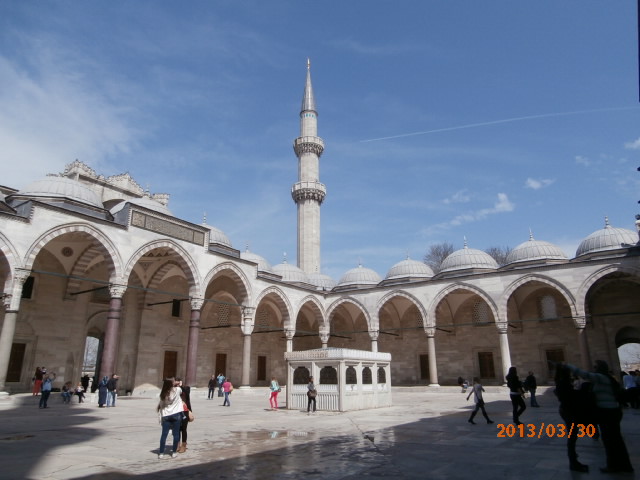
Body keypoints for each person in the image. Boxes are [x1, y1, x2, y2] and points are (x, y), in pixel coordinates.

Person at [565, 360, 634, 474]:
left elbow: (586, 375)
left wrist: (568, 366)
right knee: (614, 440)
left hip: (608, 412)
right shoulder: (606, 379)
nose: (594, 368)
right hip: (610, 412)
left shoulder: (602, 378)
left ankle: (615, 466)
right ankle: (623, 465)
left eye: (596, 366)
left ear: (601, 368)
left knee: (611, 440)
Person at [554, 364, 591, 472]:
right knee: (572, 437)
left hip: (566, 410)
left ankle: (574, 460)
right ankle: (573, 461)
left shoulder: (560, 381)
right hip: (568, 411)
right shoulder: (563, 383)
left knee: (572, 437)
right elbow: (569, 395)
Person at [157, 377, 183, 459]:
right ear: (172, 383)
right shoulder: (177, 390)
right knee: (176, 434)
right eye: (173, 381)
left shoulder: (162, 394)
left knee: (164, 434)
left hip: (166, 415)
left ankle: (161, 453)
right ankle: (174, 452)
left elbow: (161, 405)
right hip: (176, 414)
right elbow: (181, 388)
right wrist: (178, 384)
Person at [175, 378, 192, 453]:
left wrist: (181, 386)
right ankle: (177, 444)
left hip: (185, 411)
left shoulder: (186, 388)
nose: (178, 383)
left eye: (179, 382)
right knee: (177, 429)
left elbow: (187, 393)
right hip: (177, 411)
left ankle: (184, 445)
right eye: (176, 382)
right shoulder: (175, 389)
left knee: (184, 429)